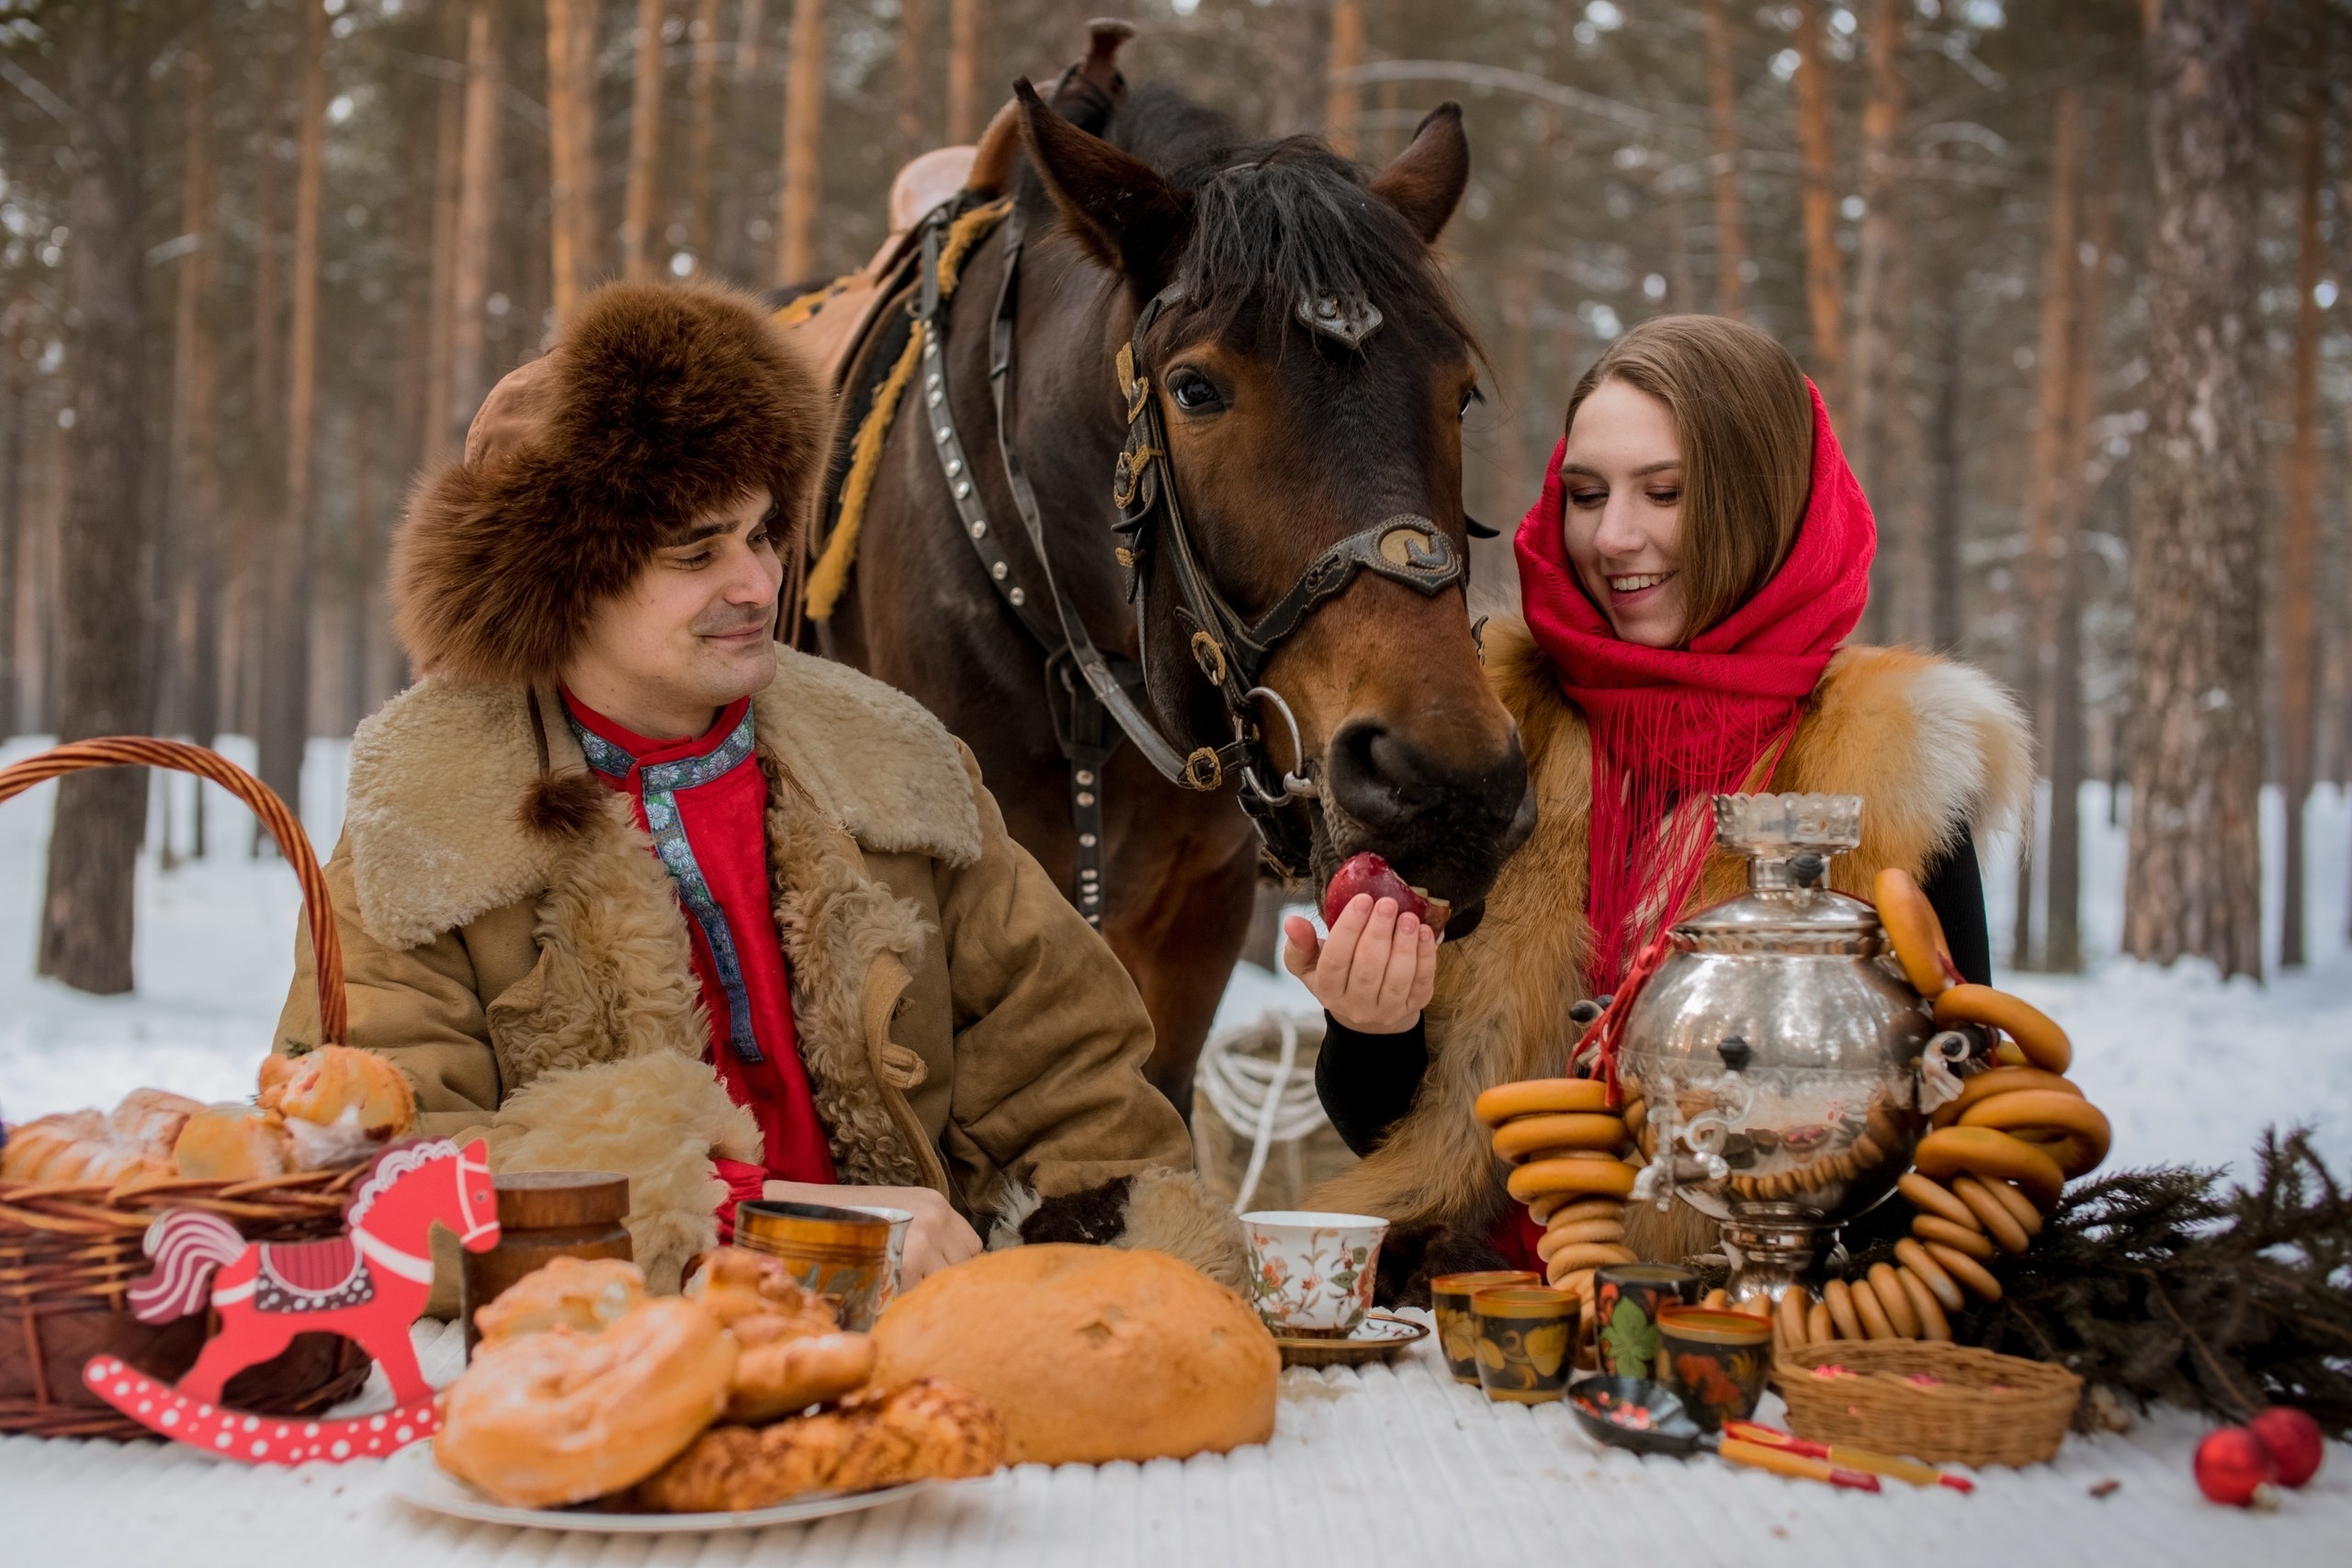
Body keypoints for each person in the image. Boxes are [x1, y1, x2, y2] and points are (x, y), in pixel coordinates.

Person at [275, 283, 1237, 1301]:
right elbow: (381, 1169)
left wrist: (1091, 1281)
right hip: (588, 1382)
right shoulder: (427, 810)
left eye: (765, 534)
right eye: (697, 551)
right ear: (556, 577)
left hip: (921, 1363)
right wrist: (771, 1227)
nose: (755, 584)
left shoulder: (894, 761)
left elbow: (1078, 1093)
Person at [1285, 314, 2029, 1291]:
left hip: (1748, 1329)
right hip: (1483, 1318)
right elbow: (1395, 1136)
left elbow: (1947, 1142)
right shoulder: (1502, 723)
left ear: (1758, 501)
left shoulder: (1889, 763)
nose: (1612, 536)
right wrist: (1370, 1025)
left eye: (1665, 493)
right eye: (1585, 494)